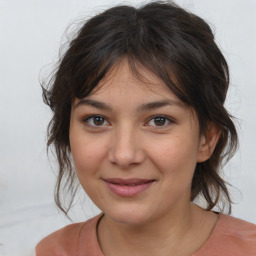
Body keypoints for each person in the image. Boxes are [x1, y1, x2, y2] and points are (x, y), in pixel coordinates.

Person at [35, 1, 256, 255]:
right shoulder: (51, 251)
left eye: (159, 120)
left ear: (206, 139)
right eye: (97, 120)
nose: (124, 155)